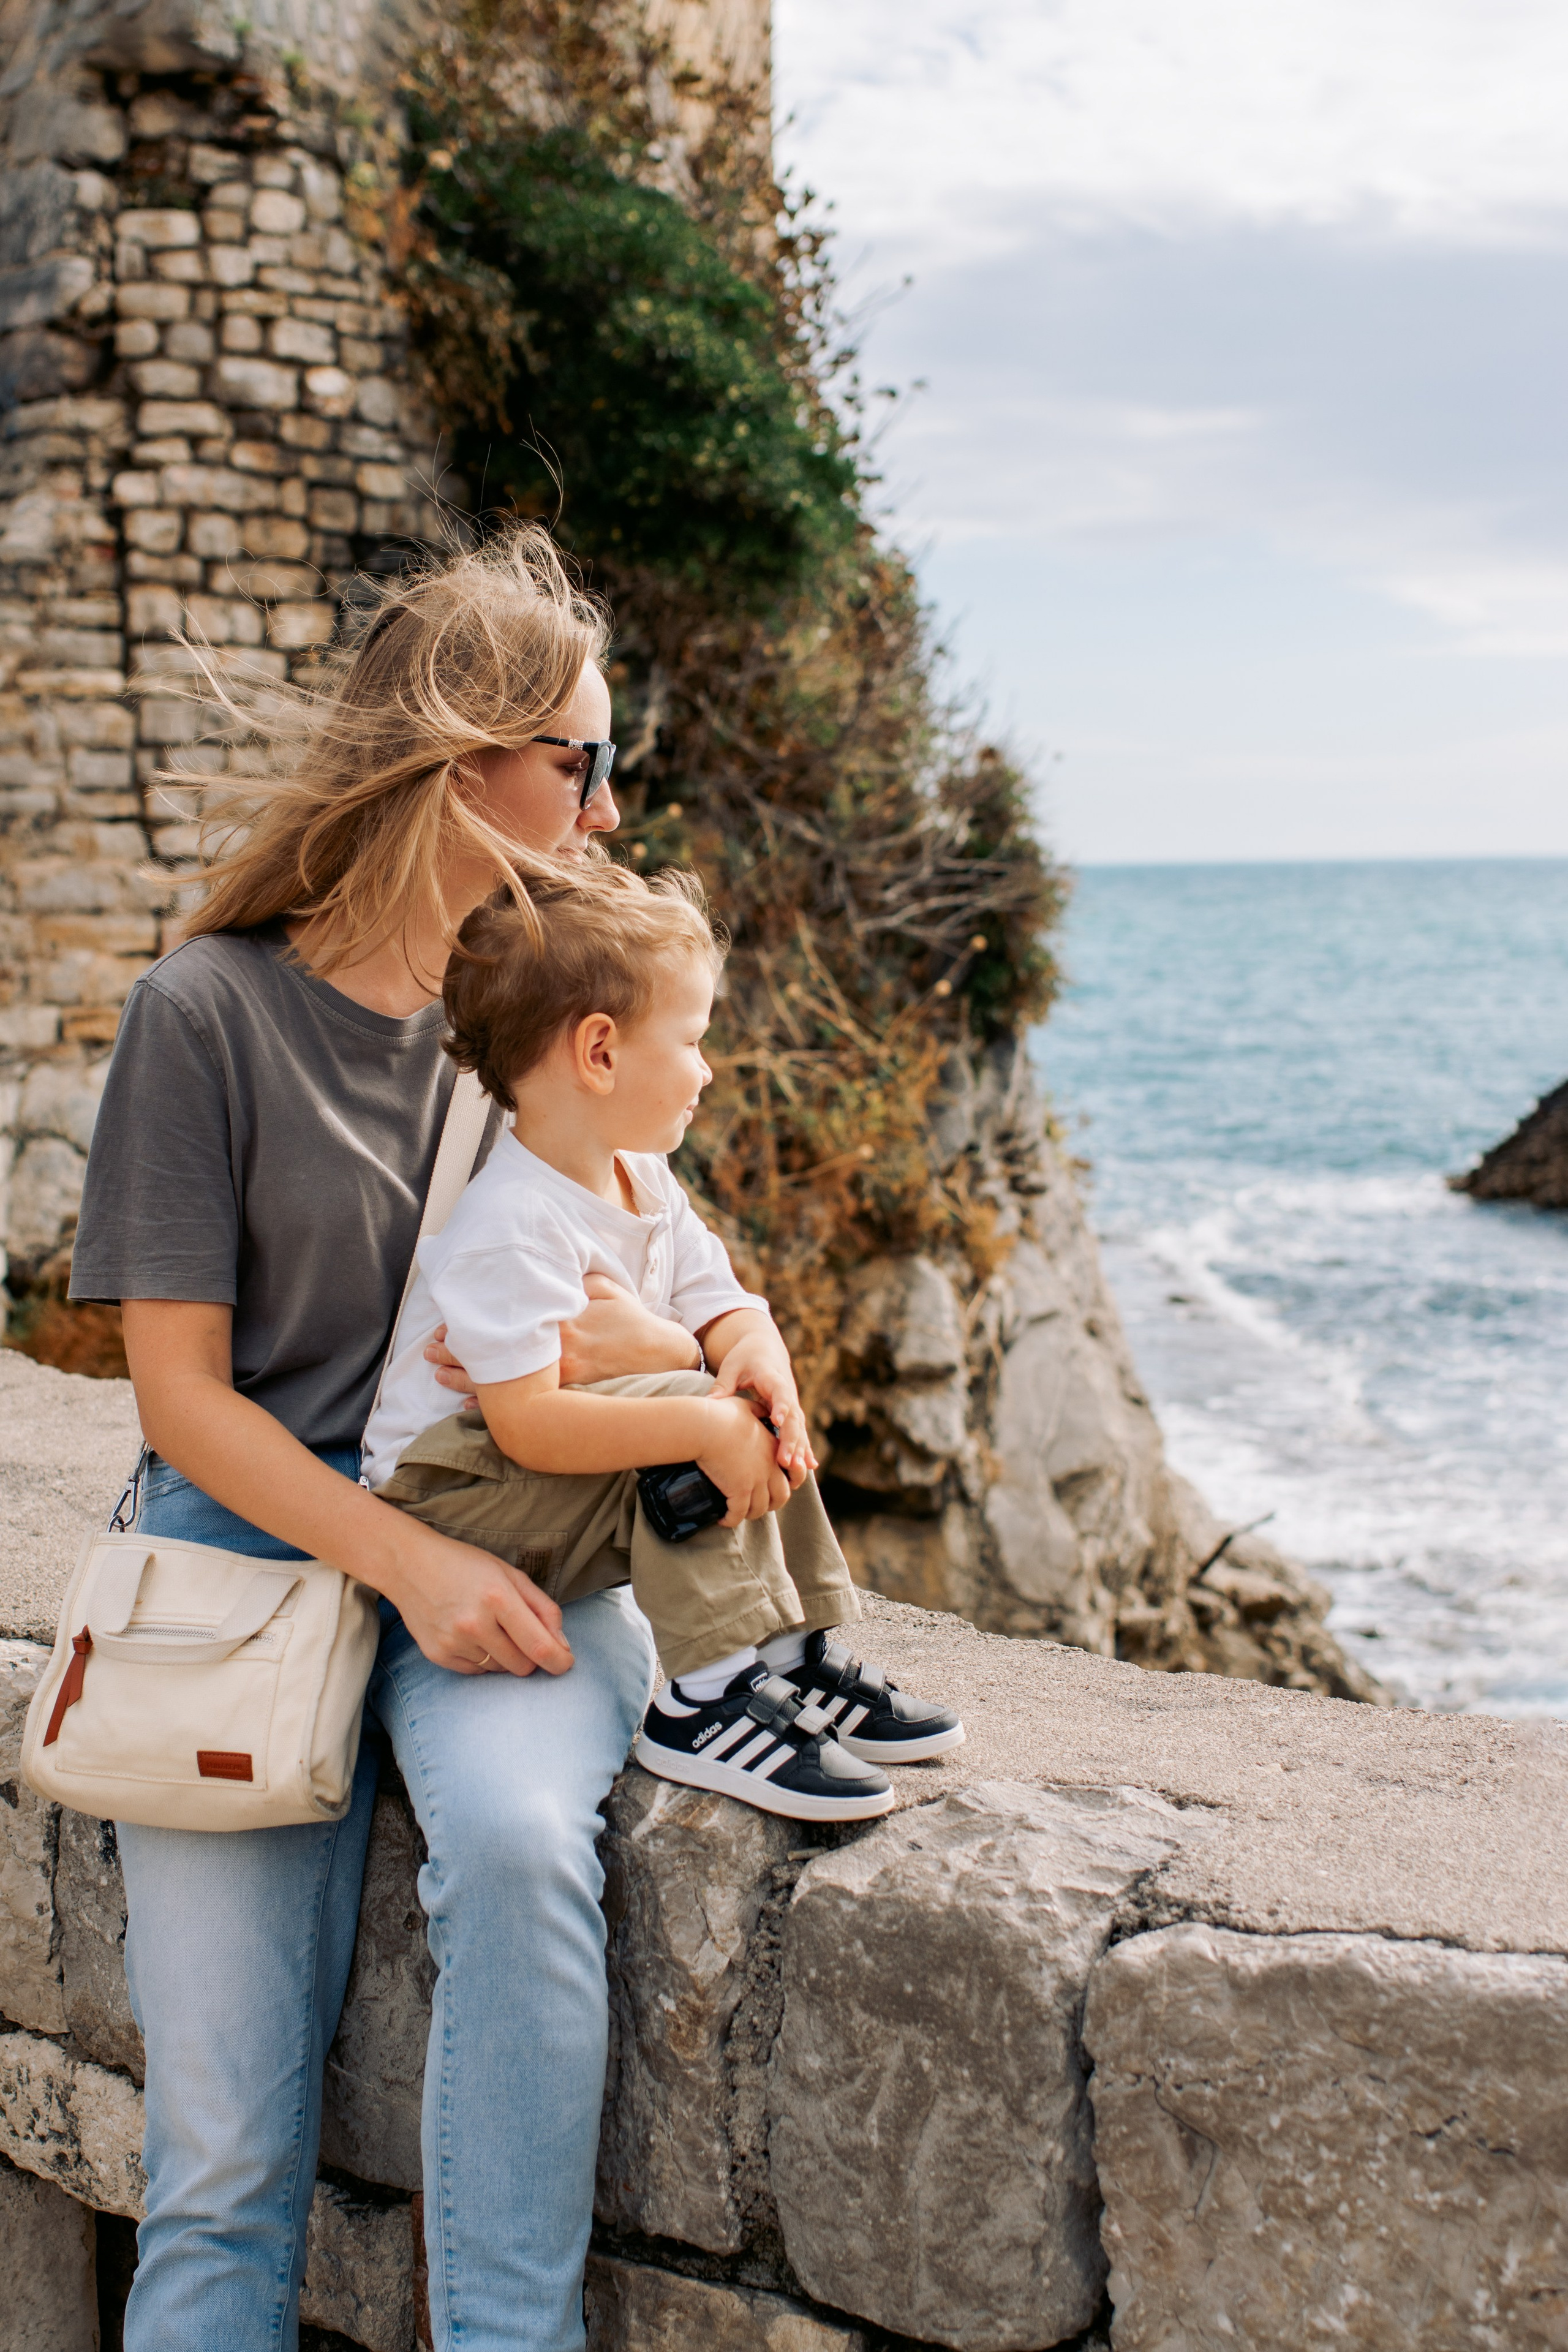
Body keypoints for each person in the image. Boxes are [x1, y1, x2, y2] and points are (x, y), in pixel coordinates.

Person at [67, 527, 707, 2352]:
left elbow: (662, 1285)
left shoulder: (535, 1029)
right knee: (219, 2177)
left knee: (518, 1850)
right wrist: (404, 1566)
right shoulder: (204, 1014)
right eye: (580, 761)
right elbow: (181, 1395)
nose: (605, 809)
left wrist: (690, 1346)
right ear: (457, 767)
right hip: (244, 1556)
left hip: (511, 1527)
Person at [362, 866, 963, 1822]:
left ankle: (792, 1653)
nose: (708, 1069)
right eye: (692, 1040)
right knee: (698, 1415)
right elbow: (525, 1424)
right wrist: (703, 1416)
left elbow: (720, 1301)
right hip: (451, 1504)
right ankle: (703, 1701)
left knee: (742, 1402)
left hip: (533, 1489)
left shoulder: (641, 1178)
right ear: (600, 1052)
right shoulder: (512, 1220)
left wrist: (755, 1354)